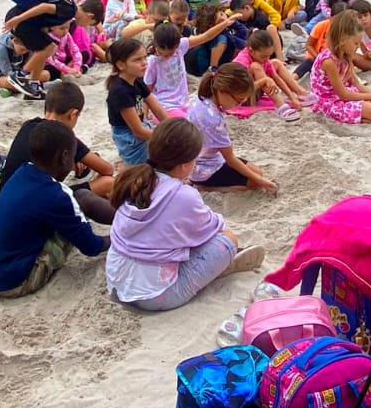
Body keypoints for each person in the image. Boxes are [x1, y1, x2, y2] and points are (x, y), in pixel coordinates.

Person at [106, 119, 267, 312]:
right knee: (228, 239)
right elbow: (214, 226)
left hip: (116, 280)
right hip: (155, 296)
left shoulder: (134, 179)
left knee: (181, 235)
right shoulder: (182, 194)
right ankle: (217, 269)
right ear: (184, 165)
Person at [0, 121, 111, 298]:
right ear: (64, 157)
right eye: (74, 157)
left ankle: (127, 219)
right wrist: (119, 236)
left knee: (72, 207)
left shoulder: (21, 172)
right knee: (77, 210)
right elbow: (92, 247)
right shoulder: (57, 196)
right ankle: (129, 222)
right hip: (14, 281)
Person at [0, 81, 117, 223]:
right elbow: (107, 169)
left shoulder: (29, 125)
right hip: (36, 206)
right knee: (109, 182)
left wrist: (74, 161)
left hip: (5, 200)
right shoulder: (62, 136)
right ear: (73, 114)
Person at [188, 63, 279, 191]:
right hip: (204, 169)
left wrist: (264, 80)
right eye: (238, 100)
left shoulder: (202, 97)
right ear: (223, 92)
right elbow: (230, 158)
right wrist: (261, 181)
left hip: (203, 159)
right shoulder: (213, 120)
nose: (239, 104)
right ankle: (204, 187)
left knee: (256, 171)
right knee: (254, 182)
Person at [311, 9, 371, 125]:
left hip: (346, 93)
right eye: (355, 43)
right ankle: (355, 118)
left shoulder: (346, 55)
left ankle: (362, 113)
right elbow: (343, 95)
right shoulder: (329, 61)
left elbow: (355, 83)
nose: (358, 47)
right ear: (343, 40)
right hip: (331, 101)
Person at [147, 17, 233, 116]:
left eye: (172, 52)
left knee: (203, 117)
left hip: (183, 102)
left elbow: (206, 36)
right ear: (156, 46)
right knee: (189, 125)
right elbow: (146, 91)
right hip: (164, 106)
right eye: (164, 54)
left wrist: (225, 23)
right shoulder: (152, 62)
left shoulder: (180, 47)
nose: (170, 56)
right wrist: (145, 115)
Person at [5, 0, 78, 92]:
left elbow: (43, 20)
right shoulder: (69, 10)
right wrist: (18, 19)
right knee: (47, 48)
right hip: (20, 21)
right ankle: (20, 75)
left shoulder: (65, 2)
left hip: (22, 19)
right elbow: (44, 7)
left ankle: (33, 87)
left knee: (49, 48)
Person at [106, 36, 168, 165]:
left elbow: (156, 107)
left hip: (140, 125)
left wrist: (173, 126)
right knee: (150, 167)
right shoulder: (120, 91)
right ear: (121, 65)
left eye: (145, 57)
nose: (144, 62)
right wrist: (167, 137)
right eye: (137, 60)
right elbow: (138, 131)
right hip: (128, 136)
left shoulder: (136, 79)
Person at [234, 28, 312, 120]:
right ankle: (280, 105)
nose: (267, 59)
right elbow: (240, 89)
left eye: (269, 56)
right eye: (264, 56)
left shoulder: (264, 59)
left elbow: (277, 79)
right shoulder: (242, 62)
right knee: (255, 66)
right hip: (242, 96)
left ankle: (301, 93)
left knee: (276, 62)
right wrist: (265, 80)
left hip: (255, 92)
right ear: (251, 51)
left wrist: (292, 98)